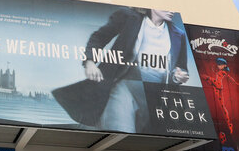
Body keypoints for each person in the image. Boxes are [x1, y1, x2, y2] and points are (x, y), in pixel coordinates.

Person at [52, 7, 189, 133]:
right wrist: (90, 62)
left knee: (144, 137)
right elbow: (99, 37)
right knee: (122, 131)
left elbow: (179, 69)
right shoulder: (129, 17)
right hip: (124, 85)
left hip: (155, 96)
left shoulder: (178, 34)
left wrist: (179, 76)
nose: (172, 10)